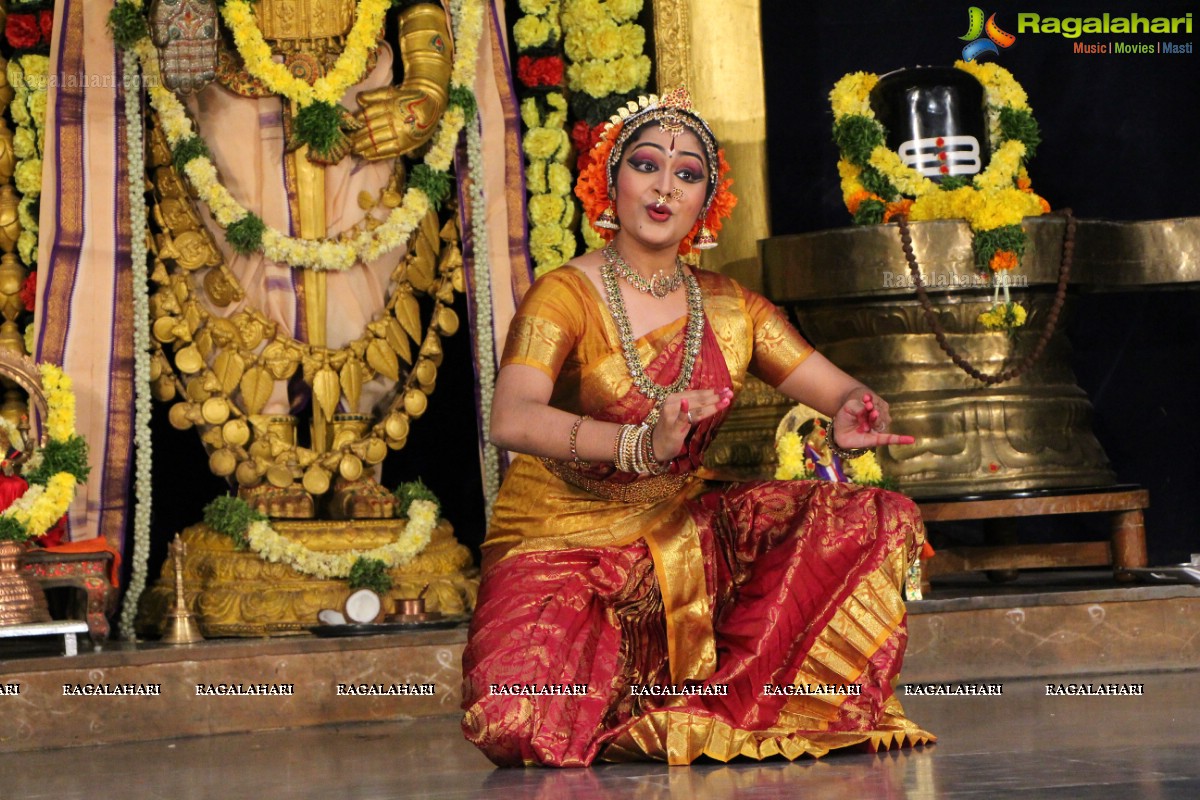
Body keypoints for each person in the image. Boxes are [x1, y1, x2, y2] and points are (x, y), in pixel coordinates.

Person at [461, 88, 934, 767]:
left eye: (686, 175)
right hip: (559, 538)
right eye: (646, 165)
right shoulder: (564, 294)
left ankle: (718, 703)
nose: (664, 187)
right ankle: (639, 697)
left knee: (873, 516)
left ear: (705, 202)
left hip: (683, 535)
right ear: (608, 180)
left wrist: (855, 409)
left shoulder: (732, 306)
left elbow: (834, 388)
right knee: (512, 716)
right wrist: (638, 443)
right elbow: (511, 416)